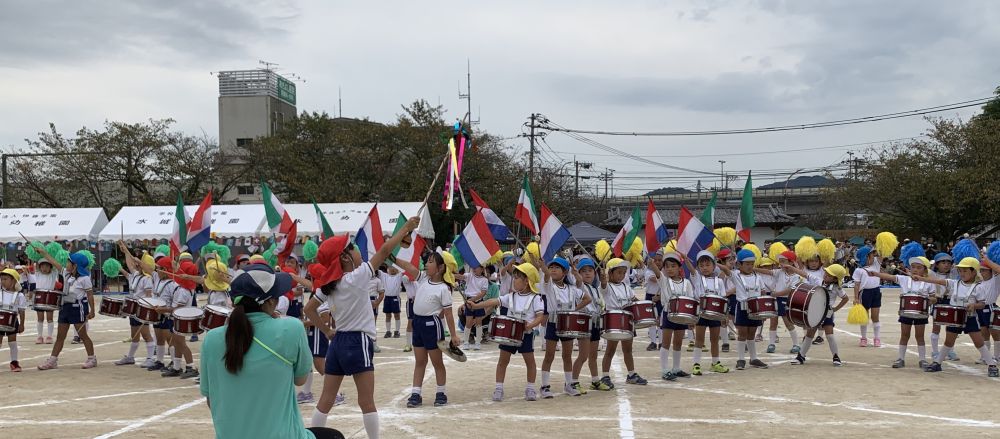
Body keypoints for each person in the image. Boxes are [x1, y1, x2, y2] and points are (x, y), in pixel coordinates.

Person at [199, 263, 344, 439]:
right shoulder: (291, 328)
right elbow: (301, 379)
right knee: (333, 436)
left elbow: (211, 401)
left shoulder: (212, 339)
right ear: (270, 302)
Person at [304, 217, 418, 438]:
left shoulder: (330, 285)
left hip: (337, 343)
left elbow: (309, 309)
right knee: (366, 401)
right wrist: (406, 227)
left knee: (325, 401)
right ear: (345, 257)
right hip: (358, 341)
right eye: (354, 248)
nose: (358, 250)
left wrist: (327, 331)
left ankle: (314, 436)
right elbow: (385, 251)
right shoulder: (357, 276)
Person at [467, 263, 545, 401]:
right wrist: (477, 305)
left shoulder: (536, 298)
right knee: (503, 361)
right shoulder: (511, 296)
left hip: (526, 334)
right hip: (508, 334)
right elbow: (493, 301)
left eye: (517, 278)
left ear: (527, 281)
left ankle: (530, 389)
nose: (513, 280)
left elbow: (540, 317)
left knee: (530, 362)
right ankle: (498, 388)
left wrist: (530, 325)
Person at [395, 249, 462, 408]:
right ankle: (416, 394)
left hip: (433, 326)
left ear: (440, 268)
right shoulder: (424, 278)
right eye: (427, 261)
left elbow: (448, 314)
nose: (426, 264)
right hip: (417, 323)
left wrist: (453, 335)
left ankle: (441, 393)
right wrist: (391, 256)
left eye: (431, 261)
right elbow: (407, 266)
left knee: (437, 362)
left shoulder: (443, 289)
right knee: (420, 361)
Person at [917, 257, 999, 377]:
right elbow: (938, 282)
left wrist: (974, 305)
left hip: (970, 317)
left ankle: (992, 365)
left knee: (978, 342)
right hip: (955, 318)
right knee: (948, 341)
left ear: (974, 272)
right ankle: (937, 363)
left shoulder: (978, 287)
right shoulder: (954, 283)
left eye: (965, 271)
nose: (962, 273)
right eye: (960, 271)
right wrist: (920, 278)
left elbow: (982, 304)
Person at [866, 256, 936, 368]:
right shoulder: (904, 279)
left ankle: (922, 360)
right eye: (913, 267)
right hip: (906, 312)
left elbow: (934, 298)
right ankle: (901, 358)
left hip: (920, 314)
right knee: (904, 335)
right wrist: (876, 274)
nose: (915, 270)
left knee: (920, 336)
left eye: (919, 268)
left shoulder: (928, 282)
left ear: (925, 270)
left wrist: (927, 300)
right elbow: (890, 277)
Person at [34, 248, 97, 370]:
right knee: (60, 337)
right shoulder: (66, 273)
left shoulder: (84, 279)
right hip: (65, 307)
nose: (66, 264)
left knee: (83, 335)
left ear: (75, 266)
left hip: (77, 308)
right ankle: (53, 360)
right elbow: (53, 261)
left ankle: (92, 358)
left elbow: (90, 295)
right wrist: (44, 253)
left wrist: (92, 311)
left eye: (69, 262)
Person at [537, 256, 591, 398]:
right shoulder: (548, 286)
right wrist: (543, 266)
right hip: (553, 323)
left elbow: (588, 298)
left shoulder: (572, 289)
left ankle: (569, 385)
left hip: (568, 323)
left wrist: (574, 309)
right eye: (551, 267)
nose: (553, 270)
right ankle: (545, 386)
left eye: (557, 268)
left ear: (565, 272)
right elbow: (546, 276)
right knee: (549, 355)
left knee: (567, 355)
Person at [600, 258, 648, 387]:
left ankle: (631, 374)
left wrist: (644, 304)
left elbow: (634, 299)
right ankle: (605, 376)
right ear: (610, 273)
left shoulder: (626, 287)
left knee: (628, 350)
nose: (621, 275)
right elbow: (603, 287)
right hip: (614, 321)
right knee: (610, 350)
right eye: (618, 272)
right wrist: (603, 280)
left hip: (627, 321)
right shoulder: (607, 287)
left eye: (623, 273)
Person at [791, 265, 849, 366]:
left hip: (827, 314)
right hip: (816, 312)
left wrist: (835, 309)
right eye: (826, 272)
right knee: (809, 335)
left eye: (829, 275)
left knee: (830, 336)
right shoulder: (818, 280)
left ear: (835, 279)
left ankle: (836, 356)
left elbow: (845, 298)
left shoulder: (837, 288)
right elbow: (804, 274)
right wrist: (792, 268)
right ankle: (801, 356)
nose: (825, 275)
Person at [650, 252, 695, 380]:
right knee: (666, 342)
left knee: (678, 342)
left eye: (673, 266)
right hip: (668, 314)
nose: (670, 269)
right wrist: (651, 263)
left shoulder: (686, 283)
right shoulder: (664, 281)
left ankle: (676, 368)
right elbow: (657, 272)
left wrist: (691, 319)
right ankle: (665, 370)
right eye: (667, 266)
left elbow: (690, 300)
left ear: (679, 268)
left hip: (682, 315)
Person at [687, 251, 731, 375]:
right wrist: (686, 260)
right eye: (701, 265)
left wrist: (725, 315)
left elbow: (723, 299)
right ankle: (696, 364)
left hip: (716, 314)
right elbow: (691, 269)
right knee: (699, 340)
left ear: (714, 266)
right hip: (701, 313)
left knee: (715, 340)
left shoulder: (720, 281)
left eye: (707, 265)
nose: (705, 268)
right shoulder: (697, 278)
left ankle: (715, 363)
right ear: (698, 267)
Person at [114, 243, 156, 368]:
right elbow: (129, 263)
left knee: (146, 334)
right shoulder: (135, 275)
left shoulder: (147, 279)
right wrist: (125, 250)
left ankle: (150, 358)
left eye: (138, 262)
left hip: (142, 309)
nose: (135, 264)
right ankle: (130, 357)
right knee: (134, 335)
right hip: (133, 309)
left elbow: (149, 296)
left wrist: (146, 309)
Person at [158, 261, 199, 379]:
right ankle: (176, 367)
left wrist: (163, 310)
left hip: (179, 319)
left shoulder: (183, 291)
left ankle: (191, 366)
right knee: (176, 343)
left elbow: (178, 308)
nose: (176, 271)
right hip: (177, 318)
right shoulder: (186, 288)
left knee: (181, 343)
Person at [728, 249, 768, 370]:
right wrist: (722, 263)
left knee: (752, 333)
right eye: (747, 264)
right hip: (742, 307)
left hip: (755, 308)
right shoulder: (736, 275)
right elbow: (725, 270)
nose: (750, 266)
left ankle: (753, 358)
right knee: (742, 333)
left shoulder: (758, 277)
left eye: (752, 263)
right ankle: (740, 359)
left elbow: (763, 292)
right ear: (739, 264)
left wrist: (764, 310)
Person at [569, 257, 604, 392]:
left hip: (595, 322)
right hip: (584, 322)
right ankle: (574, 381)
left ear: (595, 274)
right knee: (583, 355)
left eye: (590, 270)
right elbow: (578, 281)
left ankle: (595, 380)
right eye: (584, 271)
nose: (587, 273)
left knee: (593, 355)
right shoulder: (580, 286)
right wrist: (576, 275)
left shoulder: (595, 289)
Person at [930, 253, 960, 361]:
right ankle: (934, 351)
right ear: (937, 264)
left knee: (951, 329)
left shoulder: (954, 273)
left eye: (948, 262)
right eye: (943, 262)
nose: (946, 265)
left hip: (951, 302)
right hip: (938, 301)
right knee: (936, 327)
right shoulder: (932, 274)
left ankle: (950, 350)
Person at [851, 246, 883, 347]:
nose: (874, 256)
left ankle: (877, 338)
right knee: (864, 317)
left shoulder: (877, 264)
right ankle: (863, 338)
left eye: (874, 255)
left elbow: (882, 253)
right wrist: (856, 298)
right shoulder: (859, 270)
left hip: (876, 292)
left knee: (875, 316)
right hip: (864, 293)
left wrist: (881, 242)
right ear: (866, 256)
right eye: (871, 255)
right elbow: (856, 285)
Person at [0, 268, 27, 371]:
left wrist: (22, 324)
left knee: (12, 341)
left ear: (14, 281)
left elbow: (21, 311)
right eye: (1, 279)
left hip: (13, 320)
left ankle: (14, 362)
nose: (2, 281)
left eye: (5, 279)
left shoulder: (19, 295)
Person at [461, 265, 489, 350]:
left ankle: (478, 343)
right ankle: (466, 342)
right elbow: (460, 276)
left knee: (478, 322)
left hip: (478, 301)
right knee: (468, 322)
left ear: (482, 269)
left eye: (476, 267)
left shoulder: (484, 280)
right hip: (469, 300)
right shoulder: (469, 275)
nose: (474, 268)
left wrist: (472, 300)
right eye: (474, 267)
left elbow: (483, 293)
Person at [31, 257, 58, 344]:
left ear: (51, 267)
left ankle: (49, 336)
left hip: (50, 299)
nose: (44, 268)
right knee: (40, 318)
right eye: (42, 266)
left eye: (47, 266)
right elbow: (35, 262)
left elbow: (57, 264)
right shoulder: (38, 273)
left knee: (50, 318)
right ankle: (39, 336)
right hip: (39, 298)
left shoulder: (54, 274)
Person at [643, 252, 664, 351]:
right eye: (655, 260)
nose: (657, 262)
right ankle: (652, 342)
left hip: (661, 297)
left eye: (660, 260)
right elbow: (656, 279)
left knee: (660, 320)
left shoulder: (665, 272)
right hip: (650, 296)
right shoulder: (648, 272)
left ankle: (661, 342)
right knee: (651, 320)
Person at [379, 265, 404, 339]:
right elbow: (375, 268)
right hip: (387, 298)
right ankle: (388, 331)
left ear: (398, 269)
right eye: (390, 267)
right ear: (387, 269)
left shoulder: (399, 276)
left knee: (397, 315)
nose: (392, 269)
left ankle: (397, 331)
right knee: (388, 315)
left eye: (394, 267)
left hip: (395, 298)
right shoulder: (384, 275)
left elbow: (404, 269)